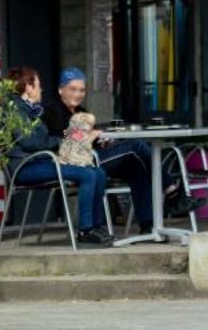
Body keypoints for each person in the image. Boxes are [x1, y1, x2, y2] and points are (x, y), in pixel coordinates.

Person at [42, 68, 198, 231]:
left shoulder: (82, 112)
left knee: (137, 169)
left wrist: (102, 141)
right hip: (76, 163)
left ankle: (148, 225)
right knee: (136, 145)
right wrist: (89, 136)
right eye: (72, 89)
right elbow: (63, 137)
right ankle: (172, 191)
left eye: (81, 90)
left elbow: (91, 138)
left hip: (94, 155)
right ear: (61, 90)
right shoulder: (53, 111)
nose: (78, 94)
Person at [4, 67, 111, 245]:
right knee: (88, 174)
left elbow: (42, 139)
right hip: (25, 167)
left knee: (98, 172)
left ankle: (96, 225)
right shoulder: (15, 110)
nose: (41, 90)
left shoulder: (29, 109)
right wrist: (60, 141)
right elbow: (32, 142)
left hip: (41, 161)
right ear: (28, 87)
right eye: (38, 86)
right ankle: (85, 230)